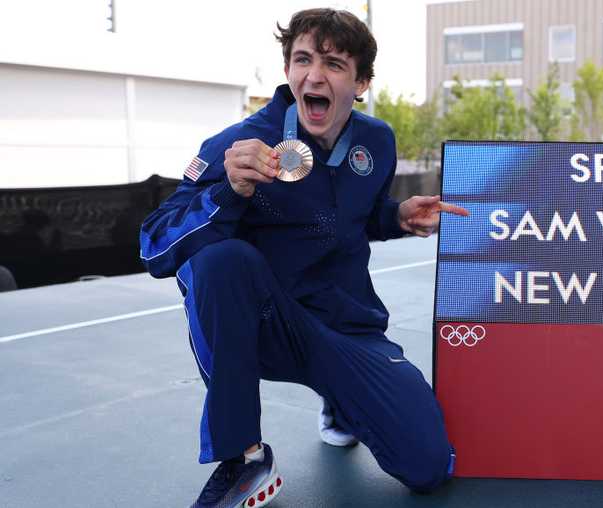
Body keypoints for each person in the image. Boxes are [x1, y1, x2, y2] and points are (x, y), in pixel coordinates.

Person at [139, 8, 468, 507]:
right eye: (302, 59)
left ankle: (341, 398)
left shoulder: (377, 141)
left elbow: (346, 218)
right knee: (217, 260)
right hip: (270, 323)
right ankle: (244, 459)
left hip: (347, 327)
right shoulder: (238, 145)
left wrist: (395, 215)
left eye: (334, 64)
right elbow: (156, 245)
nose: (314, 75)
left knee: (428, 466)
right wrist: (229, 191)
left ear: (361, 83)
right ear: (288, 70)